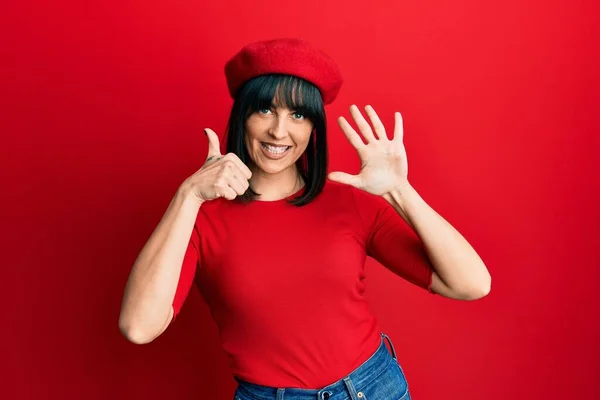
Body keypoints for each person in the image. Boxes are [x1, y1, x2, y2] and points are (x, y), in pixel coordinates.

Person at [118, 38, 491, 400]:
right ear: (242, 116)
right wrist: (188, 195)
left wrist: (399, 191)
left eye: (297, 114)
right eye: (265, 110)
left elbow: (471, 284)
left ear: (314, 127)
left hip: (373, 388)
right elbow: (138, 326)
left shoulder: (351, 203)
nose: (279, 131)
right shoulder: (200, 217)